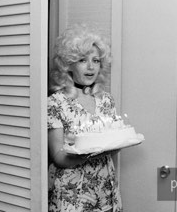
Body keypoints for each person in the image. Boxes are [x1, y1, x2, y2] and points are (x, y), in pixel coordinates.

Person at [47, 23, 122, 212]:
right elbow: (58, 157)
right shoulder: (56, 102)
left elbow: (113, 147)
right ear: (68, 64)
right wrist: (90, 153)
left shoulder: (106, 100)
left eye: (96, 60)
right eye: (82, 60)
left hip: (106, 190)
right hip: (72, 194)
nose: (91, 67)